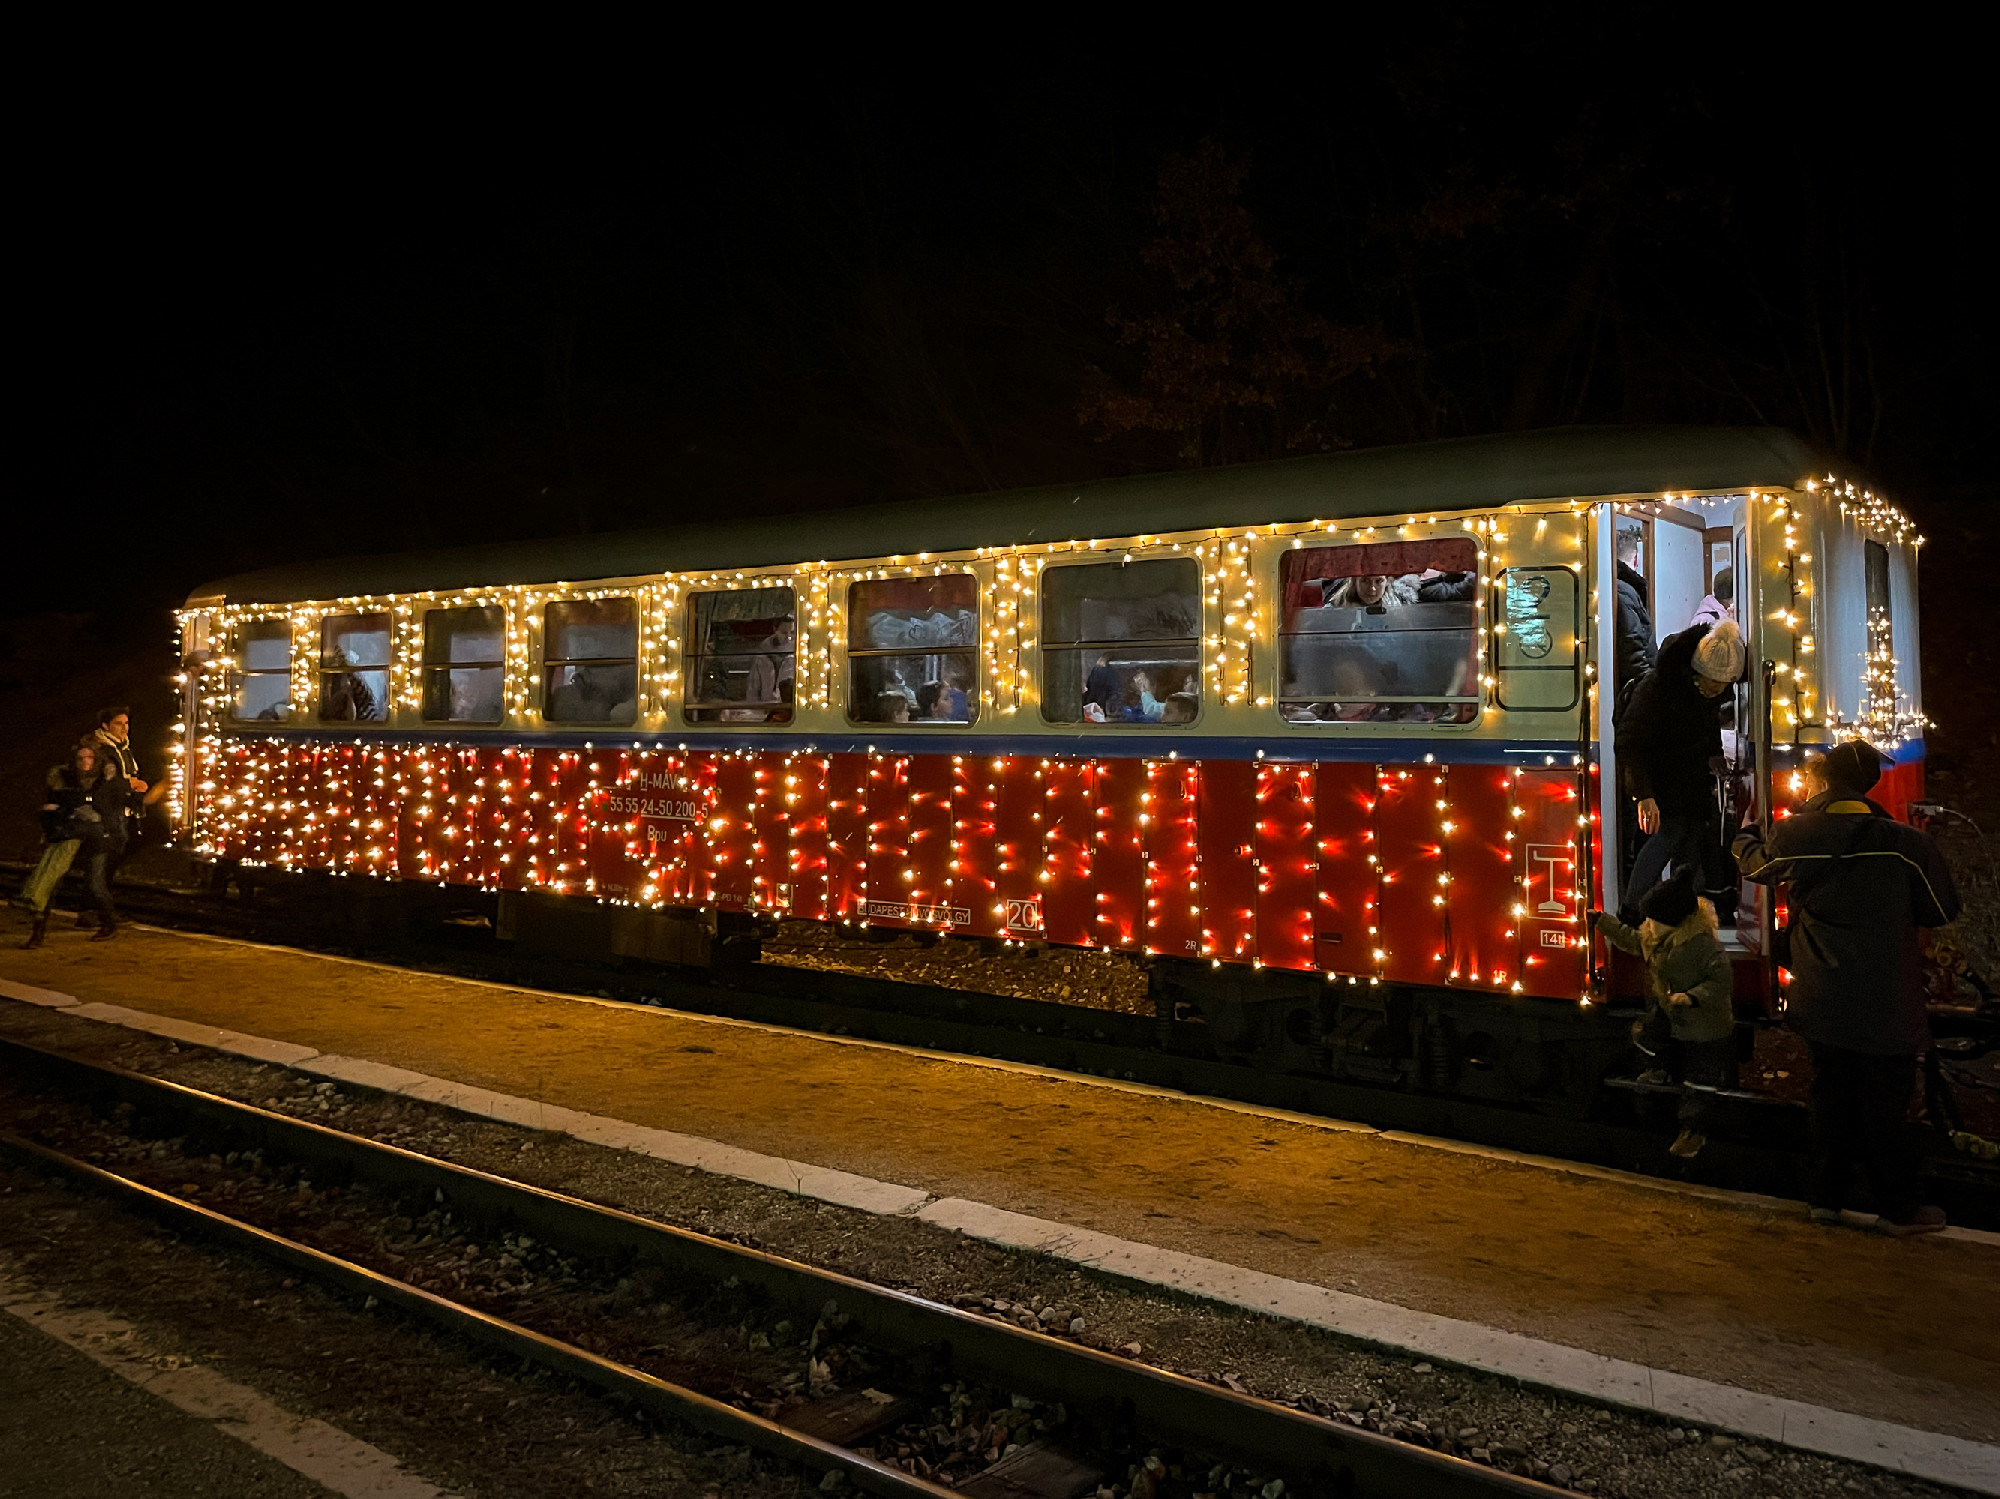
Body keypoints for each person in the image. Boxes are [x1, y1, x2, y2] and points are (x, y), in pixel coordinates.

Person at [1734, 740, 1961, 1235]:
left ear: (1823, 784)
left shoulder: (1795, 833)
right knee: (1886, 1108)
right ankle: (1898, 1210)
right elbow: (1941, 911)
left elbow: (1757, 865)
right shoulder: (1908, 845)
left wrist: (1746, 835)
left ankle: (1825, 1200)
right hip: (1888, 1000)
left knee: (1829, 1096)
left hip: (1822, 996)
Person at [1591, 869, 1735, 1158]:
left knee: (1700, 1077)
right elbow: (1630, 939)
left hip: (1703, 1021)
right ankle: (1656, 1073)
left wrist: (1693, 997)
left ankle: (1693, 1131)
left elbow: (1722, 981)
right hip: (1670, 1008)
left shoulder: (1702, 945)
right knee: (1649, 1036)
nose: (1648, 926)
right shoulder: (1654, 935)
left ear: (1674, 923)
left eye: (1654, 921)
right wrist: (1601, 922)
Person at [1614, 619, 1742, 920]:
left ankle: (1673, 915)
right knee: (1666, 838)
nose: (1717, 693)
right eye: (1713, 686)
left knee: (1689, 841)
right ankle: (1632, 912)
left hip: (1688, 780)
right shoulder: (1657, 688)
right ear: (1697, 673)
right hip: (1658, 782)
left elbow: (1707, 725)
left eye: (1723, 688)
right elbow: (1629, 743)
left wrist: (1715, 754)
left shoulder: (1698, 690)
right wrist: (1644, 794)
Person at [20, 741, 121, 947]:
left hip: (97, 838)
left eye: (90, 758)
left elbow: (108, 809)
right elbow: (53, 806)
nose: (85, 762)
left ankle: (109, 923)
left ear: (97, 760)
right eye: (81, 758)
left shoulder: (106, 780)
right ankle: (37, 933)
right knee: (50, 881)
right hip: (70, 836)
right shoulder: (64, 779)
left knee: (95, 884)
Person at [1613, 527, 1658, 718]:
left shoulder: (1611, 587)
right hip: (1631, 694)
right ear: (1637, 558)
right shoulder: (1625, 591)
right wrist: (1647, 689)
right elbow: (1634, 648)